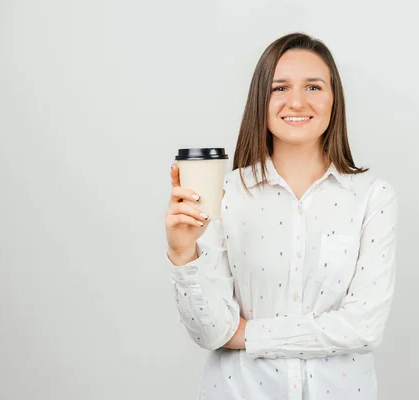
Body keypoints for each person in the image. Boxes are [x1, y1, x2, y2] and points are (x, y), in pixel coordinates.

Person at [165, 32, 398, 400]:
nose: (297, 101)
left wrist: (247, 334)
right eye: (280, 88)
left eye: (314, 87)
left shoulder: (371, 198)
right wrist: (183, 256)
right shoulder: (224, 195)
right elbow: (211, 333)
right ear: (261, 99)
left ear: (334, 99)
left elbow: (365, 327)